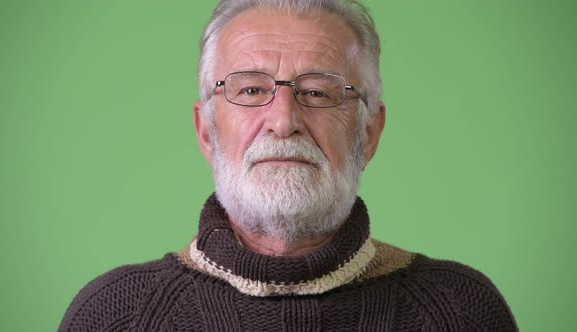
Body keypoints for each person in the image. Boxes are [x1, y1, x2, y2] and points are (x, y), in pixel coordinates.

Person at [59, 0, 518, 331]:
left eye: (318, 92)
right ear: (206, 130)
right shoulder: (113, 316)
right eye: (251, 90)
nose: (283, 120)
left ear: (368, 133)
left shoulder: (461, 312)